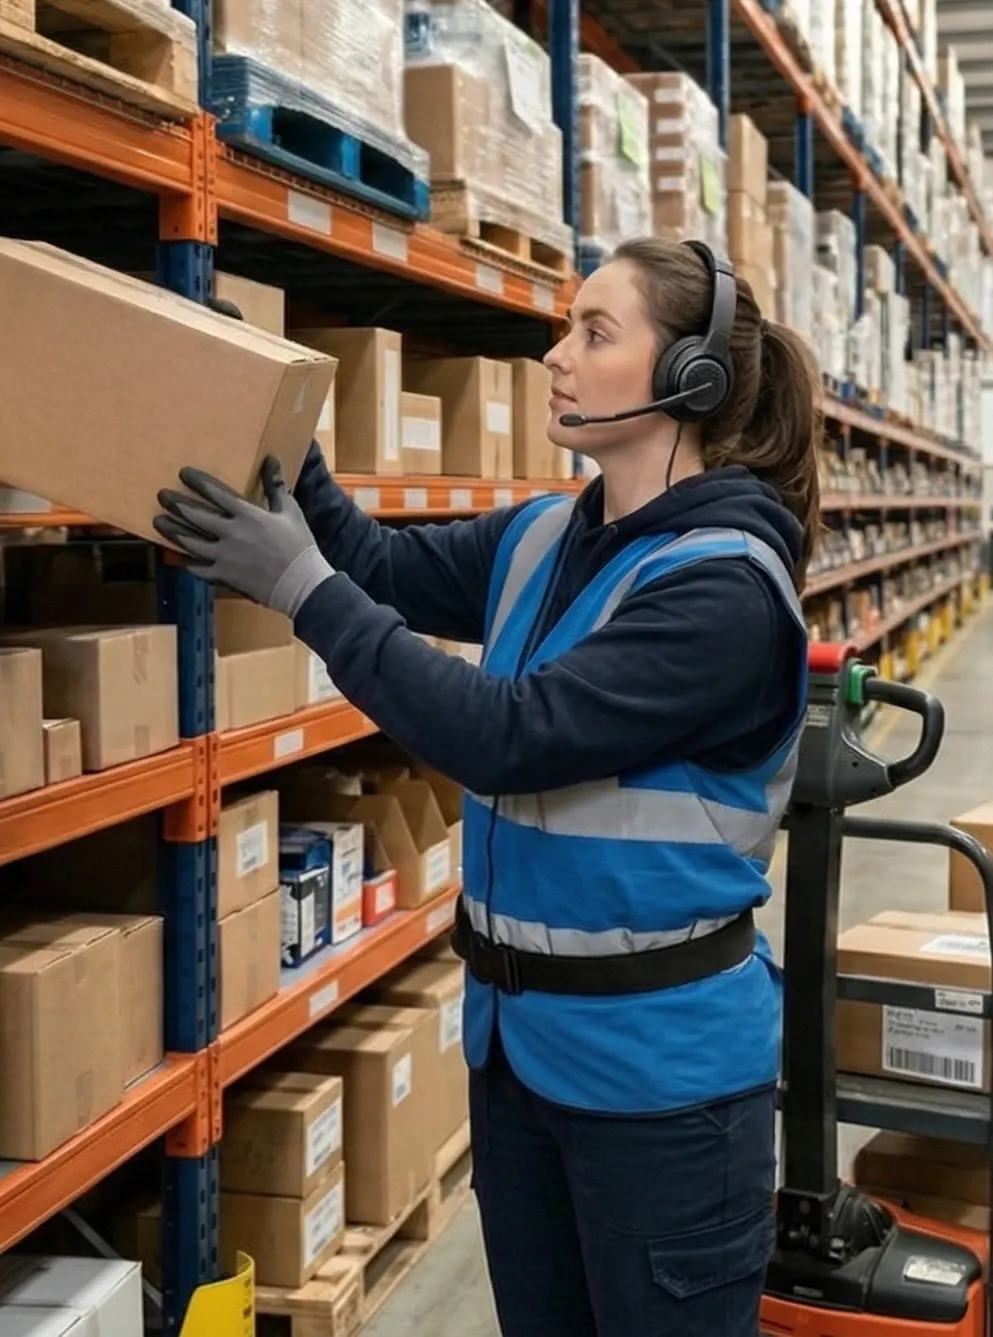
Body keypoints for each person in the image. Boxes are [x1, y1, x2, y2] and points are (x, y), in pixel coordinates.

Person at [155, 237, 819, 1337]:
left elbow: (508, 733)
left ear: (691, 381)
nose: (555, 356)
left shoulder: (723, 590)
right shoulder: (551, 532)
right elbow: (381, 566)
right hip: (518, 1051)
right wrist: (277, 421)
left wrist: (296, 588)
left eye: (595, 333)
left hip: (664, 1079)